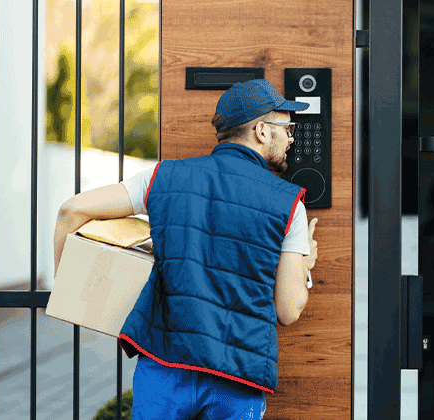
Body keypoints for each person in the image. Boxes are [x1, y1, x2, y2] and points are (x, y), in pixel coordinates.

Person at [53, 79, 319, 420]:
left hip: (164, 367)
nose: (293, 136)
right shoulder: (288, 204)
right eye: (288, 127)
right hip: (237, 377)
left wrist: (68, 296)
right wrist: (304, 264)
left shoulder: (161, 178)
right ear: (262, 131)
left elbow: (70, 211)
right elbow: (288, 309)